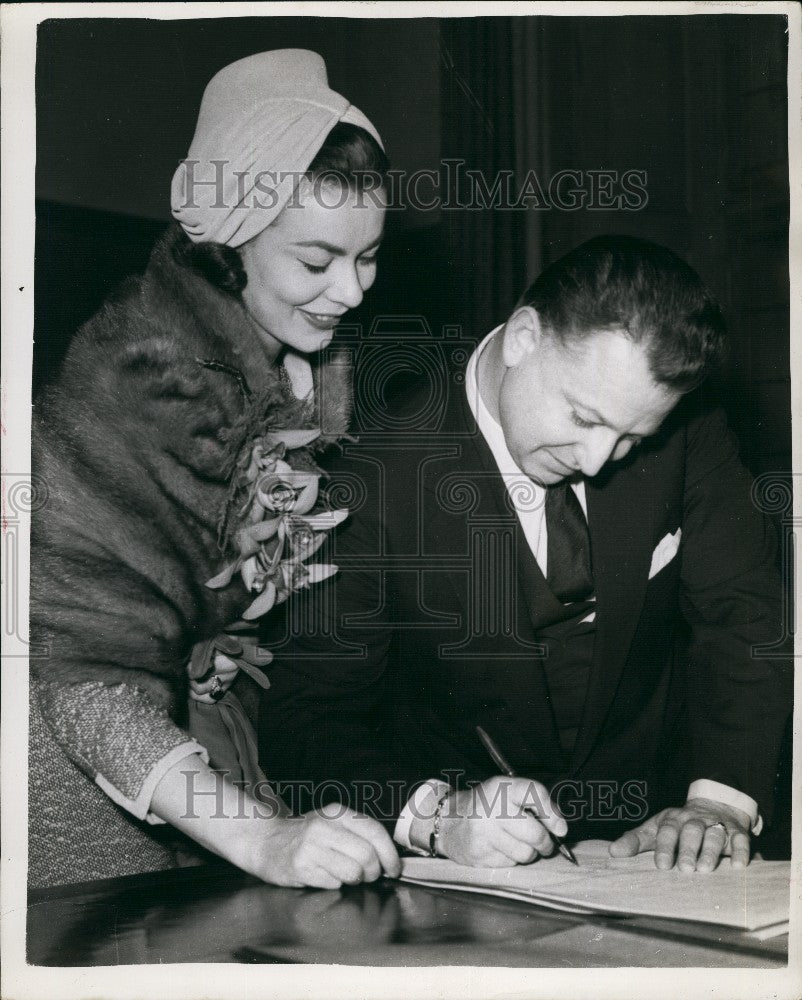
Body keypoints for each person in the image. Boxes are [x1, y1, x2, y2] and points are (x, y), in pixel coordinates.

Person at [258, 234, 792, 874]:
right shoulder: (369, 475)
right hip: (466, 876)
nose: (597, 462)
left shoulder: (685, 430)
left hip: (658, 850)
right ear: (522, 338)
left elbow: (742, 613)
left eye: (630, 437)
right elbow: (304, 718)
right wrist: (439, 816)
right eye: (584, 417)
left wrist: (719, 802)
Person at [29, 49, 400, 890]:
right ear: (230, 239)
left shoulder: (295, 368)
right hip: (82, 816)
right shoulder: (148, 377)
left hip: (199, 778)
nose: (351, 291)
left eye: (368, 256)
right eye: (316, 262)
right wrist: (266, 839)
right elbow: (82, 677)